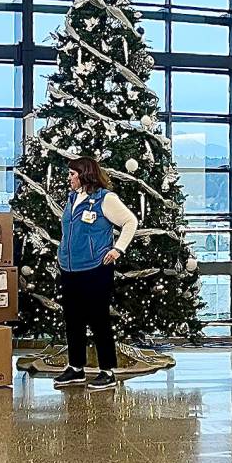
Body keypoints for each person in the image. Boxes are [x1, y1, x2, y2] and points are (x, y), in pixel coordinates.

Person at [53, 156, 138, 391]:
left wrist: (118, 249)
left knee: (99, 321)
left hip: (95, 270)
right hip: (70, 269)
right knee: (73, 320)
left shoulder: (105, 199)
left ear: (84, 175)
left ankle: (107, 371)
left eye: (72, 174)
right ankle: (76, 367)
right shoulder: (73, 198)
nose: (69, 178)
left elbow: (130, 221)